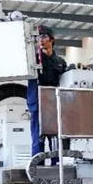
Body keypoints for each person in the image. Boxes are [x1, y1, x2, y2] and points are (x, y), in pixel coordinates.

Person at [27, 25, 67, 157]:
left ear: (52, 39)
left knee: (56, 138)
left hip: (55, 105)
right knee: (37, 138)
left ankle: (57, 165)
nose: (40, 40)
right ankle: (37, 166)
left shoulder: (60, 62)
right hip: (37, 104)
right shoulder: (31, 61)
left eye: (44, 36)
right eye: (38, 37)